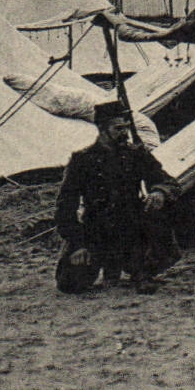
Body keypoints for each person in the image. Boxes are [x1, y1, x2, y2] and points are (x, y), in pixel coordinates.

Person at [54, 101, 177, 295]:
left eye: (126, 128)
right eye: (118, 128)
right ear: (102, 129)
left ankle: (141, 270)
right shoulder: (82, 160)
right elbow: (65, 206)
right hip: (95, 231)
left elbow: (167, 181)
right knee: (70, 284)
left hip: (132, 228)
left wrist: (159, 192)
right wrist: (77, 244)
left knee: (157, 220)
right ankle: (105, 265)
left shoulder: (136, 154)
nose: (124, 133)